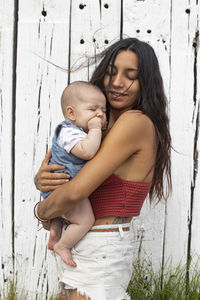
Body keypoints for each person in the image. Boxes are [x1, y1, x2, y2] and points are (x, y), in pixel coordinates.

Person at [34, 37, 171, 300]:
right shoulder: (97, 127)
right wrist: (44, 181)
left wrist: (41, 210)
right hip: (82, 242)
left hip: (101, 247)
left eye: (131, 76)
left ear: (147, 83)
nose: (117, 82)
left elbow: (75, 192)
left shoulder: (135, 122)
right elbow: (69, 180)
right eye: (111, 72)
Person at [40, 81, 107, 267]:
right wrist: (95, 129)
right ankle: (63, 245)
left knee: (61, 218)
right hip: (63, 187)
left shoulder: (77, 131)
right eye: (93, 109)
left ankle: (55, 234)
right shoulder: (68, 132)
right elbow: (87, 152)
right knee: (86, 220)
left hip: (61, 187)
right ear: (71, 113)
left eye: (103, 110)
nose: (100, 114)